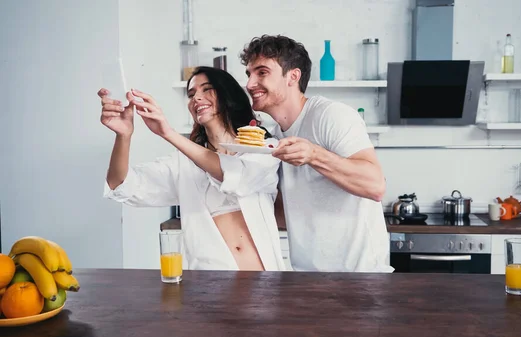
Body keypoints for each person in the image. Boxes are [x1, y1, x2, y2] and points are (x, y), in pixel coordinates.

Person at [100, 66, 286, 271]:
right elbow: (121, 184)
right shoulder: (183, 164)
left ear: (228, 93)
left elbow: (235, 176)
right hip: (211, 286)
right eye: (191, 94)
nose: (196, 98)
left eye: (206, 89)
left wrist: (168, 133)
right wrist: (123, 136)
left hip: (265, 281)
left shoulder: (265, 149)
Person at [240, 35, 394, 273]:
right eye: (249, 74)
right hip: (307, 277)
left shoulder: (330, 115)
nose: (250, 84)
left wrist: (313, 155)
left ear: (293, 76)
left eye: (261, 72)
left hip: (360, 278)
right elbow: (285, 214)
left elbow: (375, 186)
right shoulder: (272, 136)